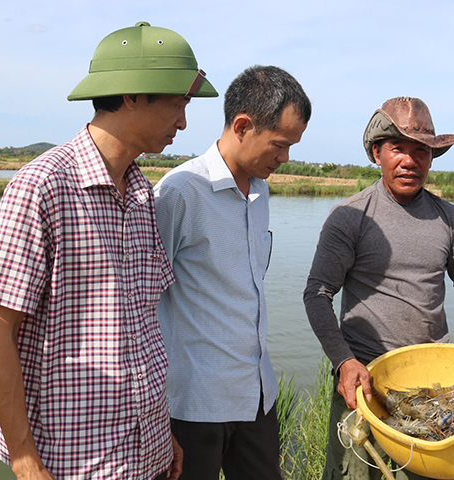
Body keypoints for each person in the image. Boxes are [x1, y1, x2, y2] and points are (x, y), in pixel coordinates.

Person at [0, 22, 218, 480]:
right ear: (132, 95)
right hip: (71, 459)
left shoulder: (144, 194)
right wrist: (25, 458)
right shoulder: (43, 186)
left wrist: (161, 433)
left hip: (145, 453)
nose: (184, 122)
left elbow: (141, 328)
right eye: (177, 103)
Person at [303, 96, 454, 480]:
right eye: (397, 149)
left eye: (421, 151)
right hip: (366, 381)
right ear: (377, 153)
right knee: (353, 472)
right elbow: (317, 294)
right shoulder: (350, 216)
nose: (409, 161)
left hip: (430, 386)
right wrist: (343, 360)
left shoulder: (447, 216)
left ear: (432, 158)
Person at [153, 65, 311, 480]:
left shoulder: (260, 191)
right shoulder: (179, 192)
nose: (285, 157)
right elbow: (141, 302)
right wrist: (152, 411)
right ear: (242, 126)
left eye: (291, 146)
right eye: (279, 144)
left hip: (257, 396)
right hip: (194, 405)